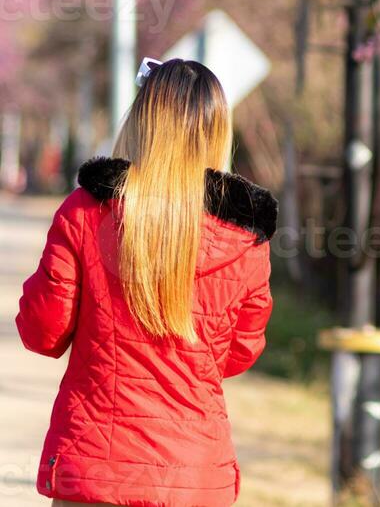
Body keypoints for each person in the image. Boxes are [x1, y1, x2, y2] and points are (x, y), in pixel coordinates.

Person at [15, 59, 278, 507]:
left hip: (95, 471)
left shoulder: (84, 212)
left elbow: (42, 332)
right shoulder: (245, 238)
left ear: (140, 121)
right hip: (195, 477)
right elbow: (237, 354)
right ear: (218, 133)